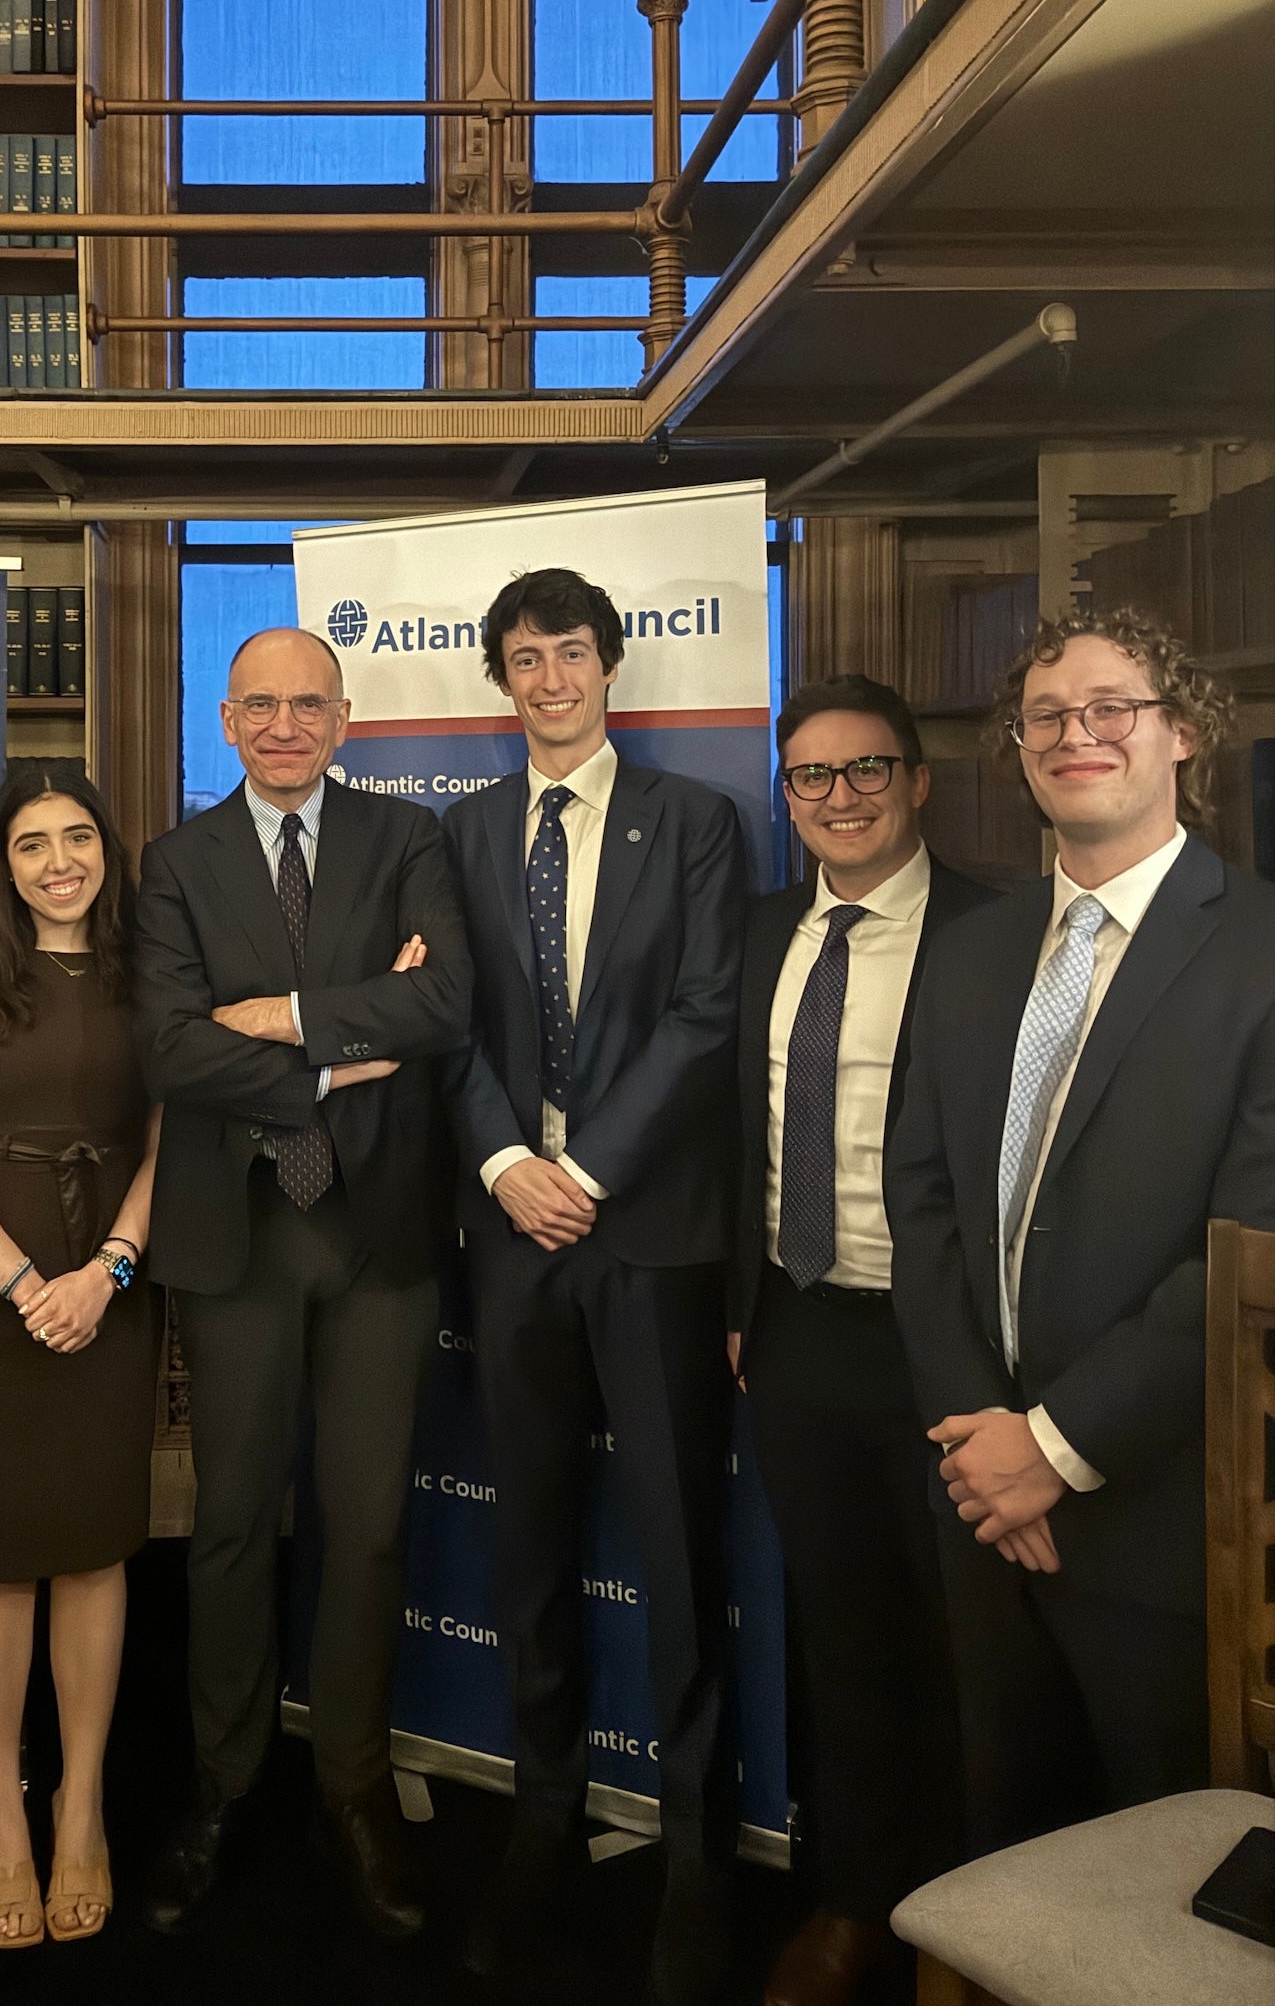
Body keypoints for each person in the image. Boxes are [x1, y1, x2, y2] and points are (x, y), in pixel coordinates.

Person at [886, 607, 1275, 1852]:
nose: (1077, 734)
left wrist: (1051, 1446)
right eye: (1047, 715)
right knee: (1004, 1850)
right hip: (980, 1498)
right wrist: (979, 1440)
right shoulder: (969, 949)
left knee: (1159, 1886)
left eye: (1113, 707)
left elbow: (1249, 1245)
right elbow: (923, 1199)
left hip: (1159, 1516)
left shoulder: (1263, 949)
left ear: (1182, 736)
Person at [134, 626, 471, 1942]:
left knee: (369, 1522)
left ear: (347, 716)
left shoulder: (407, 842)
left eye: (307, 704)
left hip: (377, 1235)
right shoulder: (174, 863)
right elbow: (165, 1052)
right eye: (258, 704)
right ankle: (223, 1785)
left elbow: (443, 1000)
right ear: (225, 721)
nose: (283, 724)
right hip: (239, 1237)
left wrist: (268, 1015)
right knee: (227, 1525)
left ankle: (350, 1785)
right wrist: (340, 1043)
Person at [441, 569, 746, 2006]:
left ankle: (696, 1857)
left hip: (647, 1235)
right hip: (510, 1234)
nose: (548, 678)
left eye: (570, 653)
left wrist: (589, 1171)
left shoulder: (693, 822)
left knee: (680, 1552)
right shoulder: (458, 833)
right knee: (529, 1550)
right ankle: (542, 1820)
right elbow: (445, 1021)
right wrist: (506, 1160)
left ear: (608, 668)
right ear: (499, 682)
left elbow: (702, 1018)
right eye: (523, 658)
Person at [730, 676, 994, 2006]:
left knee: (966, 1644)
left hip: (945, 1350)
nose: (836, 797)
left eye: (863, 771)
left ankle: (957, 1923)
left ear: (914, 783)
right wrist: (736, 1303)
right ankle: (851, 1905)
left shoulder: (998, 932)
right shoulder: (764, 928)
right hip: (796, 1337)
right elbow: (732, 1132)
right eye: (810, 778)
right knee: (839, 1639)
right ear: (786, 796)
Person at [0, 761, 159, 1951]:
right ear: (1, 863)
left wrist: (104, 1271)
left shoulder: (148, 967)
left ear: (108, 847)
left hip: (109, 1282)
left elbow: (170, 1141)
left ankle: (83, 1802)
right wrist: (22, 1284)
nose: (59, 860)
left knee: (97, 1547)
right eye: (31, 843)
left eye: (78, 838)